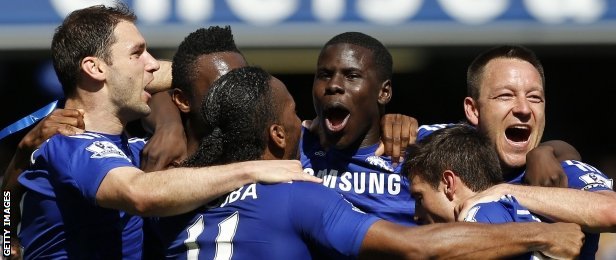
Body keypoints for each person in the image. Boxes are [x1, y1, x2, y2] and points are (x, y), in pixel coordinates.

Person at [149, 65, 584, 259]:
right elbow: (419, 248)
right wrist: (538, 235)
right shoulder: (301, 197)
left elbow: (188, 75)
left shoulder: (173, 192)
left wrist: (167, 121)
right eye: (292, 113)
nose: (308, 118)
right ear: (279, 135)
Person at [16, 4, 319, 259]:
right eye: (138, 53)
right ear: (95, 69)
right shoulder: (69, 142)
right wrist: (252, 171)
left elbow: (199, 76)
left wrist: (170, 122)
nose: (152, 66)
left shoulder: (133, 150)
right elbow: (139, 194)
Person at [417, 45, 616, 259]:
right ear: (473, 110)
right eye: (506, 96)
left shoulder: (559, 174)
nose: (524, 109)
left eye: (535, 98)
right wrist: (392, 123)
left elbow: (612, 212)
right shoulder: (441, 154)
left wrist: (504, 191)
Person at [300, 32, 416, 225]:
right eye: (325, 75)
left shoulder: (420, 151)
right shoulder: (295, 148)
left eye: (352, 76)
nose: (334, 85)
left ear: (384, 92)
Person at [403, 123, 545, 259]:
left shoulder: (480, 217)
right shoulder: (504, 210)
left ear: (448, 183)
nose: (416, 216)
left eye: (419, 198)